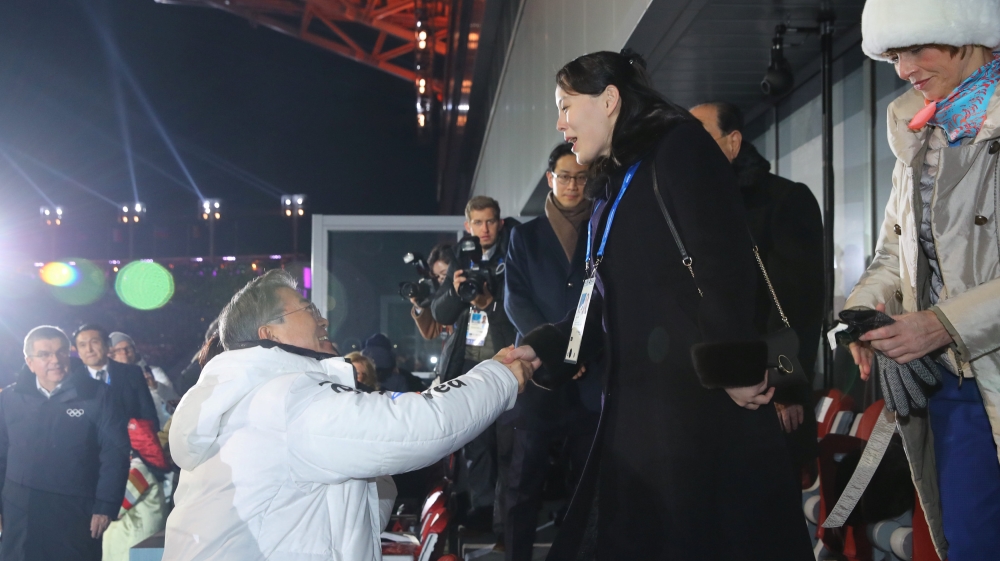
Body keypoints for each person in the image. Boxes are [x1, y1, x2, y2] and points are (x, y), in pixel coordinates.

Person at [501, 50, 812, 560]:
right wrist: (550, 347)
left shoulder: (680, 147)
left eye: (565, 106)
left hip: (698, 411)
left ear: (609, 100)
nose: (560, 124)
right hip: (640, 413)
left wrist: (733, 368)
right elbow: (602, 299)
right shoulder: (617, 180)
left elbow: (725, 263)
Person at [163, 269, 536, 560]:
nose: (323, 320)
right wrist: (498, 377)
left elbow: (363, 504)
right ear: (270, 334)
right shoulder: (284, 400)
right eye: (308, 310)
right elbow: (421, 426)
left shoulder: (250, 398)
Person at [846, 2, 1000, 558]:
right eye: (894, 55)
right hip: (951, 383)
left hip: (972, 360)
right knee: (969, 543)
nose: (904, 69)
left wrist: (940, 324)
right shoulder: (918, 130)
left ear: (967, 34)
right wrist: (863, 314)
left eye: (916, 48)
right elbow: (896, 248)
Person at [690, 101, 822, 479]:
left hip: (766, 392)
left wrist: (786, 386)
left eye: (700, 138)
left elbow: (796, 303)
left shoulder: (783, 200)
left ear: (732, 142)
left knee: (767, 502)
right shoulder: (688, 206)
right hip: (704, 397)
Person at [501, 142, 601, 560]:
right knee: (523, 484)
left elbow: (601, 297)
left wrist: (574, 353)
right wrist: (558, 353)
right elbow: (515, 301)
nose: (573, 185)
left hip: (589, 376)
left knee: (587, 486)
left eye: (580, 177)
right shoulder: (524, 236)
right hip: (539, 375)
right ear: (550, 179)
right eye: (565, 176)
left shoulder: (601, 228)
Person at [0, 326, 130, 561]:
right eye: (44, 354)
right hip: (20, 509)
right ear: (29, 362)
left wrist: (105, 505)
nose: (55, 360)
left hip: (76, 509)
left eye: (61, 352)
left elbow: (115, 453)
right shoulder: (9, 399)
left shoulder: (98, 395)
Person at [431, 196, 520, 534]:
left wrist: (491, 302)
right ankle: (482, 511)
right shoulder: (460, 256)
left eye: (490, 221)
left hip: (507, 358)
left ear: (500, 222)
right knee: (477, 443)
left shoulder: (514, 250)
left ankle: (506, 518)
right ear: (467, 225)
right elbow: (440, 313)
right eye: (478, 223)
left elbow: (520, 307)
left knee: (508, 445)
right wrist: (456, 291)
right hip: (469, 364)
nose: (485, 229)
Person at [71, 324, 160, 430]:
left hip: (132, 438)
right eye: (82, 345)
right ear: (78, 352)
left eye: (94, 342)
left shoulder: (132, 373)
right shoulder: (73, 382)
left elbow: (148, 414)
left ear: (107, 345)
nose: (89, 349)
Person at [109, 331, 179, 427]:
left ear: (134, 350)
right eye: (118, 350)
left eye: (128, 348)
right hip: (143, 433)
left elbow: (174, 397)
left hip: (171, 427)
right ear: (112, 355)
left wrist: (155, 386)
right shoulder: (110, 384)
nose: (124, 352)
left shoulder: (154, 371)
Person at [411, 243, 454, 340]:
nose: (441, 279)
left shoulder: (469, 293)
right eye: (437, 276)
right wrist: (419, 305)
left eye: (444, 274)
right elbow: (430, 332)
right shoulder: (442, 301)